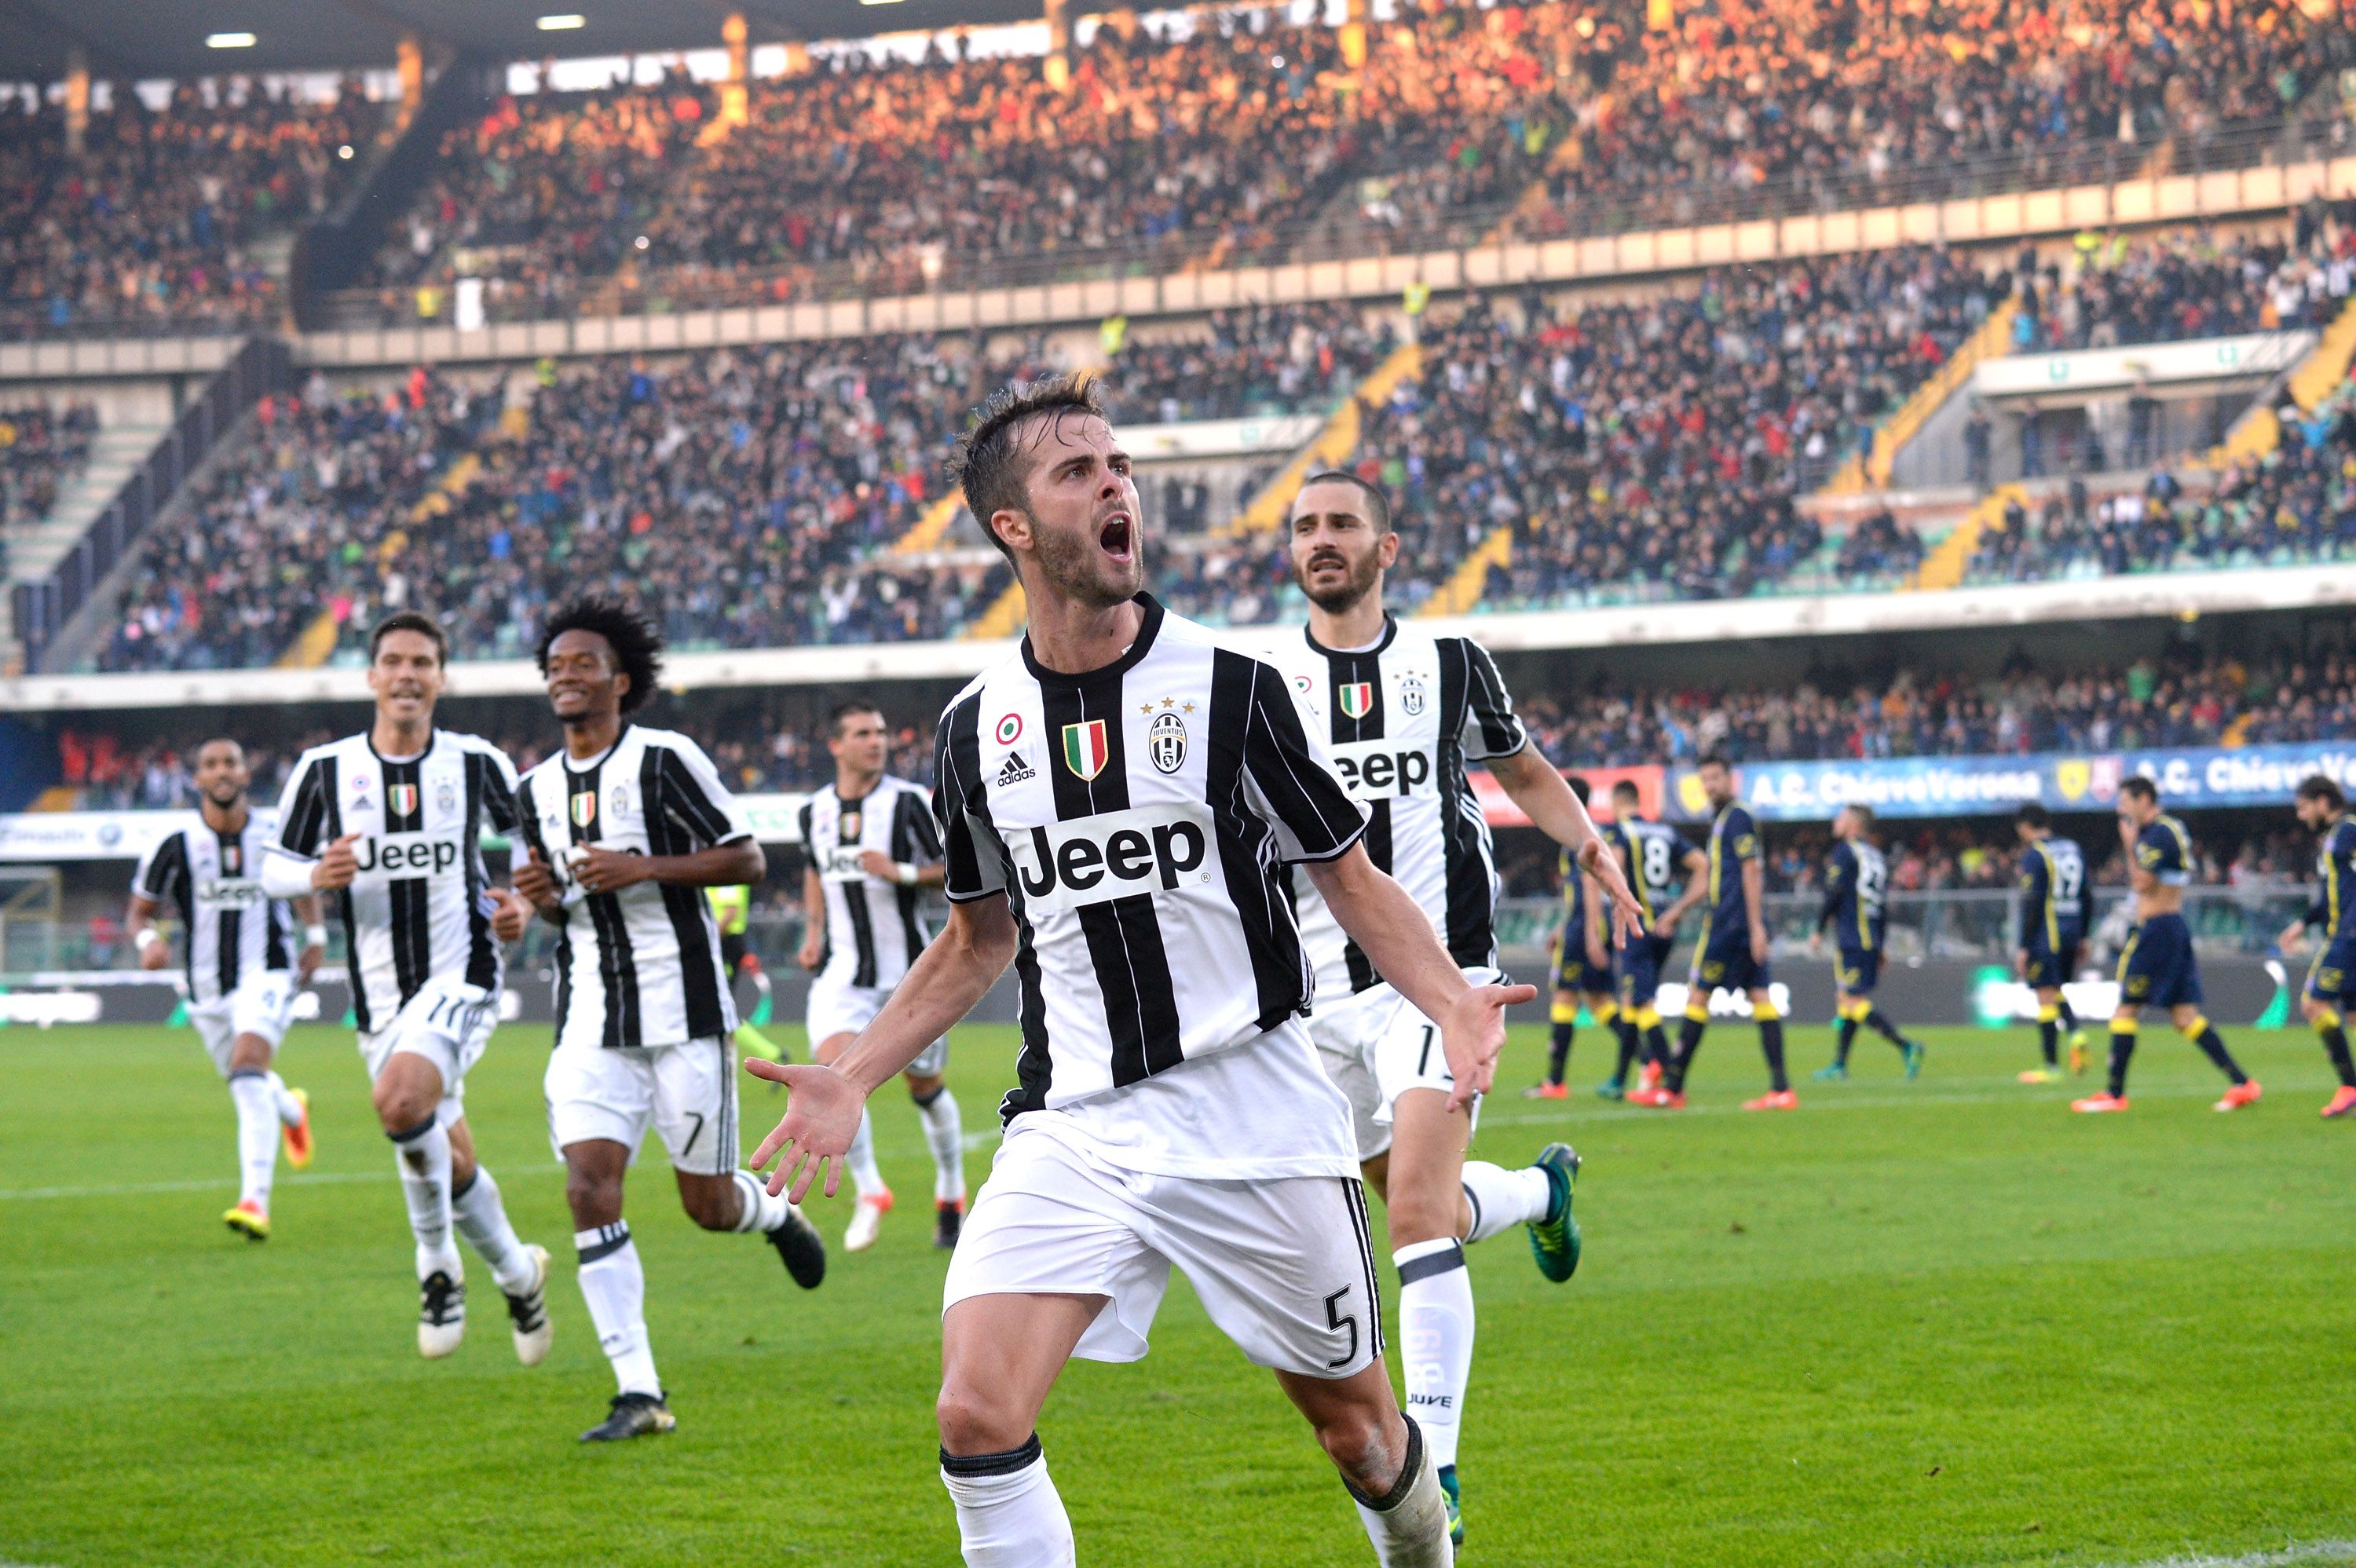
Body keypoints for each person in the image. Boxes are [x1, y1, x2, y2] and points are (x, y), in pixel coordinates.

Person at [748, 377, 1524, 1567]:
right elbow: (976, 941)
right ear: (1012, 525)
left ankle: (1424, 1552)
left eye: (1120, 468)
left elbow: (1352, 876)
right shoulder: (973, 730)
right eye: (1079, 472)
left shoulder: (1233, 689)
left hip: (1259, 1111)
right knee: (975, 1413)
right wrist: (855, 1071)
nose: (1116, 485)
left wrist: (1452, 997)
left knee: (1363, 1436)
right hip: (1077, 1122)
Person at [1264, 470, 1642, 1544]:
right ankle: (1538, 1191)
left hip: (1440, 983)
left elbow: (1524, 770)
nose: (1322, 540)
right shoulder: (1254, 679)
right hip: (1314, 1001)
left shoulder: (1449, 664)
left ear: (1387, 550)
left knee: (1419, 1219)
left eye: (1343, 524)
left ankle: (1436, 1456)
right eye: (1305, 528)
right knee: (1413, 1207)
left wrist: (1592, 849)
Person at [499, 596, 827, 1443]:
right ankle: (637, 1388)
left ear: (620, 678)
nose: (565, 674)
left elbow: (748, 856)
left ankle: (773, 1211)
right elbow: (551, 900)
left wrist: (640, 865)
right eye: (555, 665)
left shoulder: (663, 759)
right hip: (586, 1019)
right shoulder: (532, 788)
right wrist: (534, 900)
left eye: (582, 663)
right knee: (586, 1189)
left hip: (684, 1014)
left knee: (708, 1205)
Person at [260, 610, 554, 1362]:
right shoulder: (323, 771)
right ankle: (519, 1272)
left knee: (398, 1101)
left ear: (441, 677)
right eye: (393, 660)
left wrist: (521, 902)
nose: (407, 674)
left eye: (422, 662)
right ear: (371, 676)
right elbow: (270, 868)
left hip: (464, 973)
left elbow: (532, 845)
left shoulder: (475, 762)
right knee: (438, 1154)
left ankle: (435, 1266)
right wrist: (313, 875)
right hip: (379, 997)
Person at [126, 737, 323, 1240]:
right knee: (247, 1080)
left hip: (269, 970)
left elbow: (301, 883)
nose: (222, 772)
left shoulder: (275, 834)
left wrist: (317, 938)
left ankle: (254, 1199)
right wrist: (148, 940)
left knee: (247, 1066)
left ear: (245, 772)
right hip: (206, 986)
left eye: (231, 763)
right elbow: (139, 911)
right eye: (211, 765)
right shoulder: (174, 845)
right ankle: (290, 1108)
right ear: (196, 779)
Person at [796, 701, 965, 1252]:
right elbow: (814, 871)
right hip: (842, 972)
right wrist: (813, 929)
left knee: (925, 1088)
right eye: (863, 733)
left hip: (909, 977)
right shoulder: (813, 811)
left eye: (882, 731)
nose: (877, 741)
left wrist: (904, 872)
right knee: (834, 1072)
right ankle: (870, 1189)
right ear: (836, 745)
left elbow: (964, 866)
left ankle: (950, 1186)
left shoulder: (908, 803)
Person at [2074, 777, 2260, 1113]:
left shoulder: (2158, 833)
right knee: (2184, 1017)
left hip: (2158, 930)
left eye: (2125, 801)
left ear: (2144, 799)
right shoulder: (2164, 830)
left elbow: (2143, 883)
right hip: (2169, 928)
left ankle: (2115, 1095)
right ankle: (2242, 1083)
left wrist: (2129, 844)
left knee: (2126, 1009)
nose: (2120, 809)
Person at [1637, 755, 1794, 1110]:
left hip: (1729, 924)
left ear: (1729, 779)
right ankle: (1782, 1089)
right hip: (1739, 923)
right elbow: (1712, 878)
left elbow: (1751, 869)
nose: (1709, 786)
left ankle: (1673, 1088)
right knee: (1761, 999)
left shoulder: (1737, 816)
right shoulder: (1723, 820)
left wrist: (1754, 926)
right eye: (1704, 780)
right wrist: (1679, 911)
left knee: (1697, 997)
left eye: (1715, 779)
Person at [1593, 780, 1701, 1099]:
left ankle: (1669, 1077)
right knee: (1632, 1000)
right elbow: (1702, 866)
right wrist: (1679, 909)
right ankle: (1619, 1078)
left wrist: (1614, 907)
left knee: (1642, 1000)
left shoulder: (1618, 832)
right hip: (1665, 927)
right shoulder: (1666, 832)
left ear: (1617, 801)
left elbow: (1616, 869)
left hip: (1637, 926)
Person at [1809, 805, 1924, 1081]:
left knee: (1850, 1000)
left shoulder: (1845, 852)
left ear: (1853, 825)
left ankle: (1907, 1046)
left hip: (1852, 936)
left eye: (1840, 817)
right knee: (1848, 999)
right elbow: (1882, 905)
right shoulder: (1875, 857)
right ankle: (1839, 1064)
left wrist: (1819, 929)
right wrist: (1881, 944)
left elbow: (1834, 892)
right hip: (1870, 936)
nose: (1835, 821)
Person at [1525, 776, 1621, 1100]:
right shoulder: (1594, 832)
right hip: (1585, 925)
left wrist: (1590, 935)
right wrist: (1562, 929)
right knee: (1599, 1001)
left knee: (1565, 998)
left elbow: (1590, 889)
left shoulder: (1574, 837)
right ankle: (1652, 1061)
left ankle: (1555, 1081)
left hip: (1586, 929)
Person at [2275, 774, 2356, 1118]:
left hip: (2348, 937)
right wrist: (2302, 923)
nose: (2300, 814)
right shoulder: (2332, 838)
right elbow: (2328, 896)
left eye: (2304, 806)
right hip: (2341, 933)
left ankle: (2349, 1087)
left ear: (2324, 801)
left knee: (2313, 1003)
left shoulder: (2349, 831)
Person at [2012, 803, 2090, 1084]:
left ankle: (2051, 1066)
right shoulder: (2072, 849)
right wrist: (2084, 935)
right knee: (2054, 989)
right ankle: (2076, 1033)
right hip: (2071, 931)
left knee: (2044, 996)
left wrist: (2023, 945)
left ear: (2024, 826)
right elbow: (2087, 894)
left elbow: (2032, 902)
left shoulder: (2035, 854)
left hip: (2048, 934)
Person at [706, 879, 785, 1064]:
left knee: (721, 1008)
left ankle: (769, 1053)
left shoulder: (726, 874)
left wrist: (705, 941)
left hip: (725, 945)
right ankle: (770, 1053)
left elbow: (730, 913)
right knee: (719, 1008)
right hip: (722, 944)